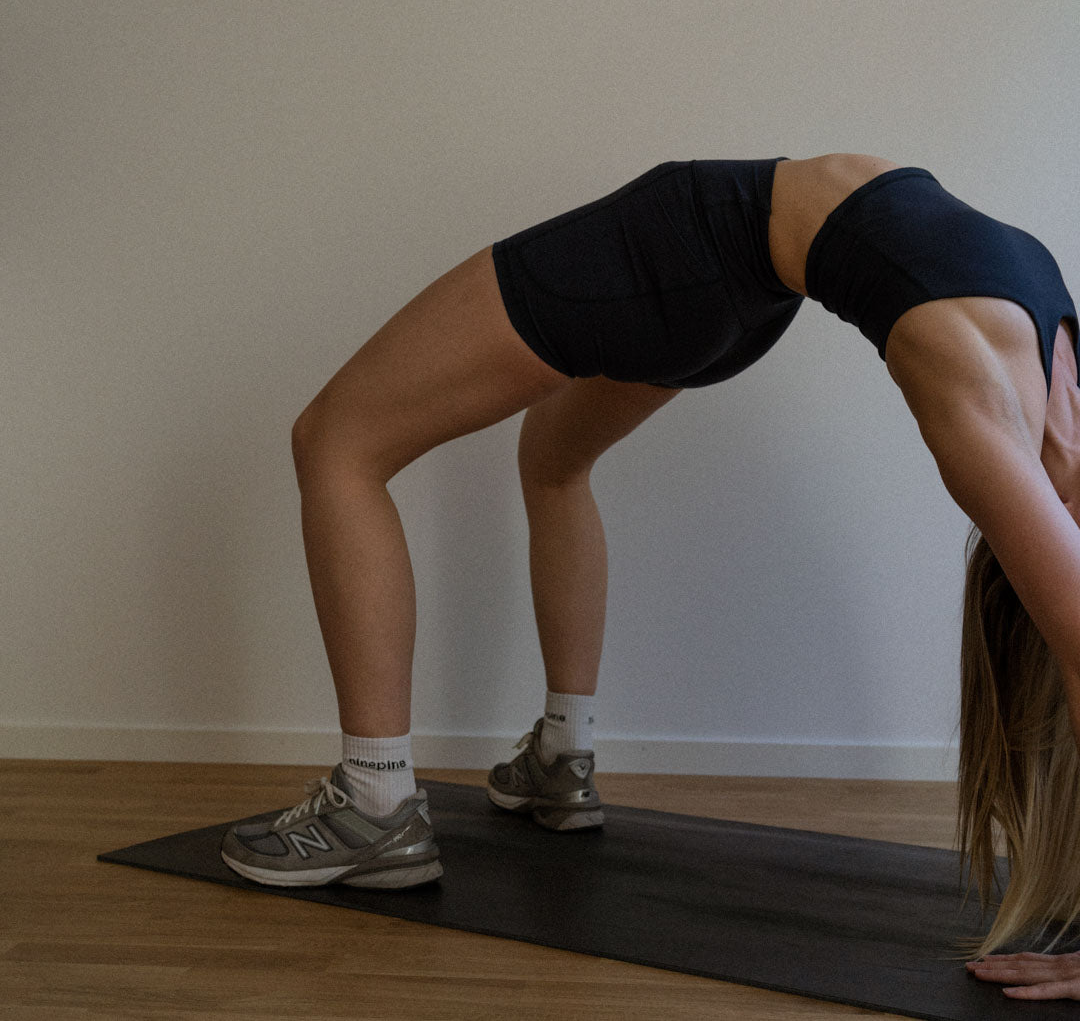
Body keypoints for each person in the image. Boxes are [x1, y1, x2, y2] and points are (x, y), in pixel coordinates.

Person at [219, 153, 1080, 999]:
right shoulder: (1041, 403)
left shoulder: (988, 398)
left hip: (698, 246)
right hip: (739, 291)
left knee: (336, 441)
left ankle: (372, 803)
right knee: (554, 457)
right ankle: (562, 757)